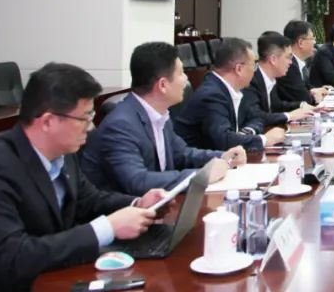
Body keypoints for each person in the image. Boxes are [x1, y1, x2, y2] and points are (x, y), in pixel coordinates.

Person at [0, 63, 163, 292]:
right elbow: (14, 257)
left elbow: (89, 200)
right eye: (84, 118)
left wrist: (137, 204)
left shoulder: (62, 153)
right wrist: (107, 228)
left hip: (42, 286)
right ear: (48, 121)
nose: (91, 128)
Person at [82, 42, 245, 196]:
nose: (186, 79)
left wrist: (223, 156)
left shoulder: (159, 114)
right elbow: (137, 181)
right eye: (181, 73)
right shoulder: (121, 124)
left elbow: (182, 154)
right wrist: (202, 175)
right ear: (162, 85)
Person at [174, 38, 286, 153]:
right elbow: (224, 140)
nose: (254, 71)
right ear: (239, 69)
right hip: (202, 162)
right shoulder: (211, 95)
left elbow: (256, 117)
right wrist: (264, 140)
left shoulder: (236, 89)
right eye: (254, 65)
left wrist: (246, 133)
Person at [244, 31, 314, 127]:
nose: (290, 62)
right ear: (273, 59)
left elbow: (277, 106)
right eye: (288, 57)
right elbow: (256, 115)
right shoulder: (250, 81)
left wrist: (301, 105)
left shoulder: (271, 78)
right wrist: (289, 116)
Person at [275, 20, 329, 108]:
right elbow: (304, 99)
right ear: (300, 43)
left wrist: (318, 90)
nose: (314, 42)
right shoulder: (289, 66)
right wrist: (314, 94)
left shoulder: (299, 62)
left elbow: (306, 87)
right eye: (312, 38)